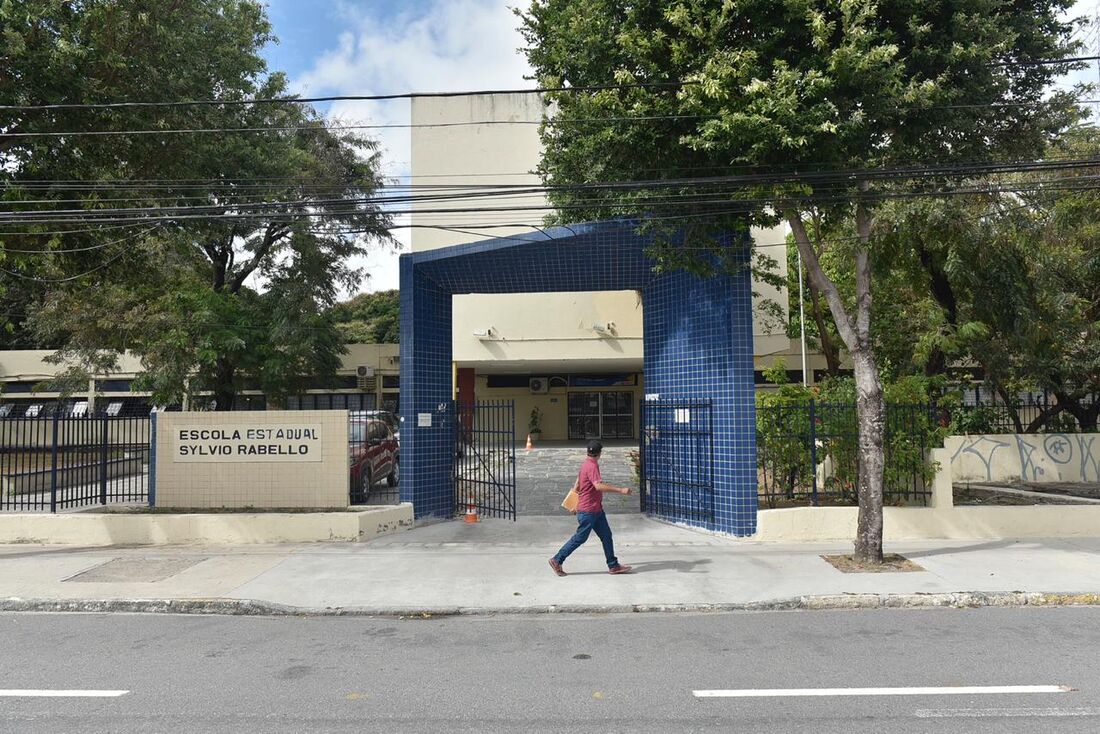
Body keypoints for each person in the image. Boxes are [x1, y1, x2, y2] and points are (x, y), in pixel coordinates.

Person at [549, 439, 632, 576]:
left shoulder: (585, 464)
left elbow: (577, 485)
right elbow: (598, 486)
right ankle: (557, 559)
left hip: (595, 510)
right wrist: (621, 490)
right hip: (588, 511)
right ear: (599, 453)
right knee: (580, 538)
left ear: (588, 452)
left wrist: (573, 504)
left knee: (606, 536)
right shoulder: (592, 466)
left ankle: (613, 565)